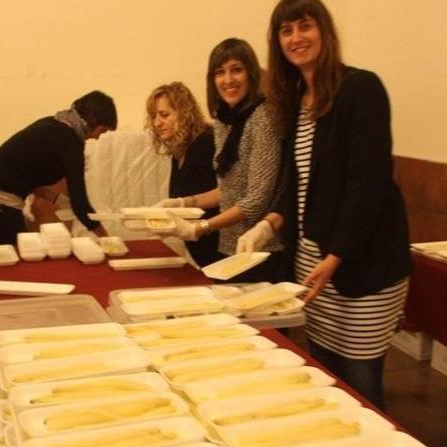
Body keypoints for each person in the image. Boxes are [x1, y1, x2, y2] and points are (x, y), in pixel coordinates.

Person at [238, 0, 412, 409]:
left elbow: (366, 183)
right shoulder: (297, 97)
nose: (296, 38)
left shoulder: (362, 88)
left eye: (305, 27)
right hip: (313, 262)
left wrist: (336, 256)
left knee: (361, 380)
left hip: (361, 264)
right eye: (286, 31)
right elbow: (298, 179)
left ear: (325, 32)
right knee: (325, 376)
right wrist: (270, 221)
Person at [159, 39, 285, 281]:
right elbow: (228, 190)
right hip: (230, 246)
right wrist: (183, 202)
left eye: (236, 70)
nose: (228, 80)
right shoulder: (224, 120)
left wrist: (200, 227)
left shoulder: (264, 117)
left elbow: (256, 200)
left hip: (262, 250)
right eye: (220, 72)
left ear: (251, 74)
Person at [0, 91, 117, 244]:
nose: (97, 137)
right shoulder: (70, 143)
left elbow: (22, 174)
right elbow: (81, 205)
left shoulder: (52, 124)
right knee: (19, 264)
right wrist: (108, 241)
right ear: (92, 120)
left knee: (22, 259)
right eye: (102, 130)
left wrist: (56, 199)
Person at [146, 82, 222, 267]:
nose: (157, 123)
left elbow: (228, 192)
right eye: (154, 116)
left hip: (220, 250)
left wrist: (180, 204)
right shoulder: (179, 150)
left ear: (184, 114)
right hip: (202, 253)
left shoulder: (205, 143)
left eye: (164, 115)